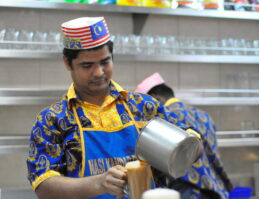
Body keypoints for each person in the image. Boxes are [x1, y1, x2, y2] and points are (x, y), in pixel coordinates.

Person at [26, 17, 202, 199]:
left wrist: (187, 150)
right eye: (87, 65)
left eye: (105, 62)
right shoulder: (53, 120)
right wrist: (98, 184)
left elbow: (192, 140)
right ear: (67, 63)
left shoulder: (144, 107)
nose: (99, 72)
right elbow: (43, 184)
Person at [135, 73, 233, 199]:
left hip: (188, 192)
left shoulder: (166, 119)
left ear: (155, 99)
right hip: (217, 190)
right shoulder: (203, 115)